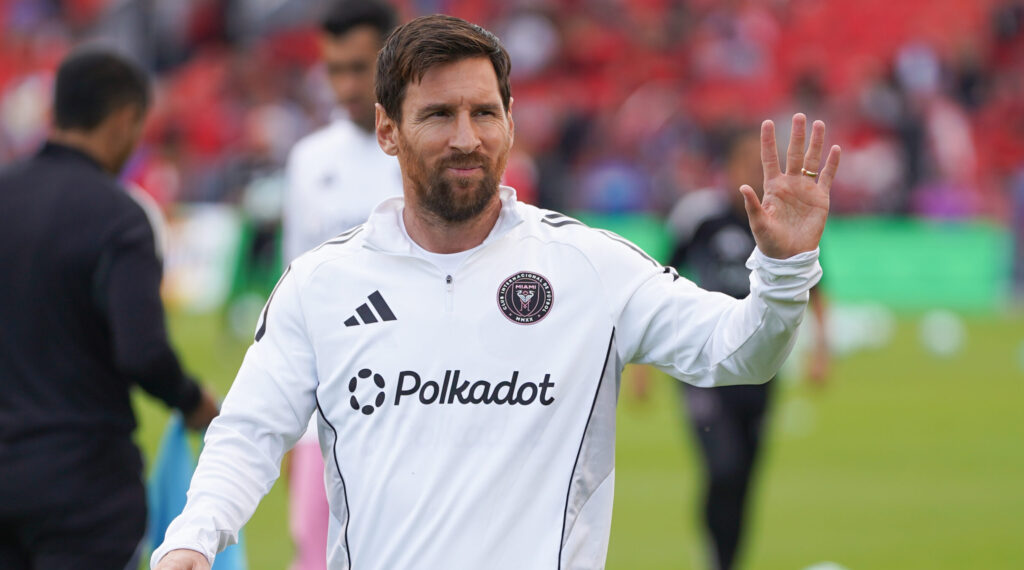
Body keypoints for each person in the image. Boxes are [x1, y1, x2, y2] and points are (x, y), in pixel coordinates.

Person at [152, 14, 840, 570]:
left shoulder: (589, 268)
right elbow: (248, 433)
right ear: (387, 129)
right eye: (438, 114)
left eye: (484, 112)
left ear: (511, 119)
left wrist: (783, 271)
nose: (466, 138)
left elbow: (739, 352)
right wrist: (193, 537)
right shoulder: (321, 286)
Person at [0, 48, 219, 569]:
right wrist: (192, 400)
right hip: (84, 484)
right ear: (124, 119)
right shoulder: (120, 217)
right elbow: (142, 351)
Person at [667, 130, 831, 570]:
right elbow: (661, 277)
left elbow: (816, 286)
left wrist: (821, 353)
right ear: (725, 169)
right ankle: (714, 552)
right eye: (743, 164)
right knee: (723, 467)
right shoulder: (699, 218)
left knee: (744, 479)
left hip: (760, 368)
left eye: (757, 166)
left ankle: (727, 561)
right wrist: (642, 366)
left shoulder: (784, 220)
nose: (752, 174)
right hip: (702, 364)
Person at [280, 2, 401, 569]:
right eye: (335, 70)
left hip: (411, 400)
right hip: (326, 406)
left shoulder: (424, 152)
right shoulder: (308, 160)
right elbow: (292, 293)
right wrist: (292, 422)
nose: (347, 86)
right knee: (317, 556)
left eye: (359, 68)